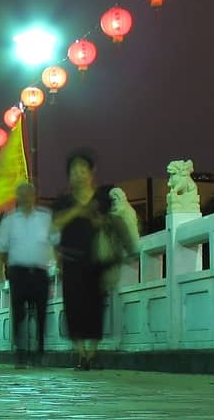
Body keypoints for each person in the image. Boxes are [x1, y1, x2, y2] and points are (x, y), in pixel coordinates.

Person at [50, 148, 133, 370]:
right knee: (74, 307)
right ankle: (81, 354)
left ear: (91, 171)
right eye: (73, 170)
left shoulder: (103, 197)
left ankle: (93, 353)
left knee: (96, 305)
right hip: (72, 259)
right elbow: (55, 224)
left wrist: (96, 216)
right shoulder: (64, 201)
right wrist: (78, 210)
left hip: (98, 259)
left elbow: (112, 221)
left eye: (82, 169)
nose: (78, 174)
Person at [0, 180, 56, 367]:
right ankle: (20, 353)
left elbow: (55, 240)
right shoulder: (10, 220)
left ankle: (39, 351)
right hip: (18, 272)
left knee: (41, 312)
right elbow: (1, 247)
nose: (25, 197)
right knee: (18, 312)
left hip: (39, 271)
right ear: (17, 197)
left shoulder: (45, 217)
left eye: (29, 194)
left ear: (34, 196)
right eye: (21, 194)